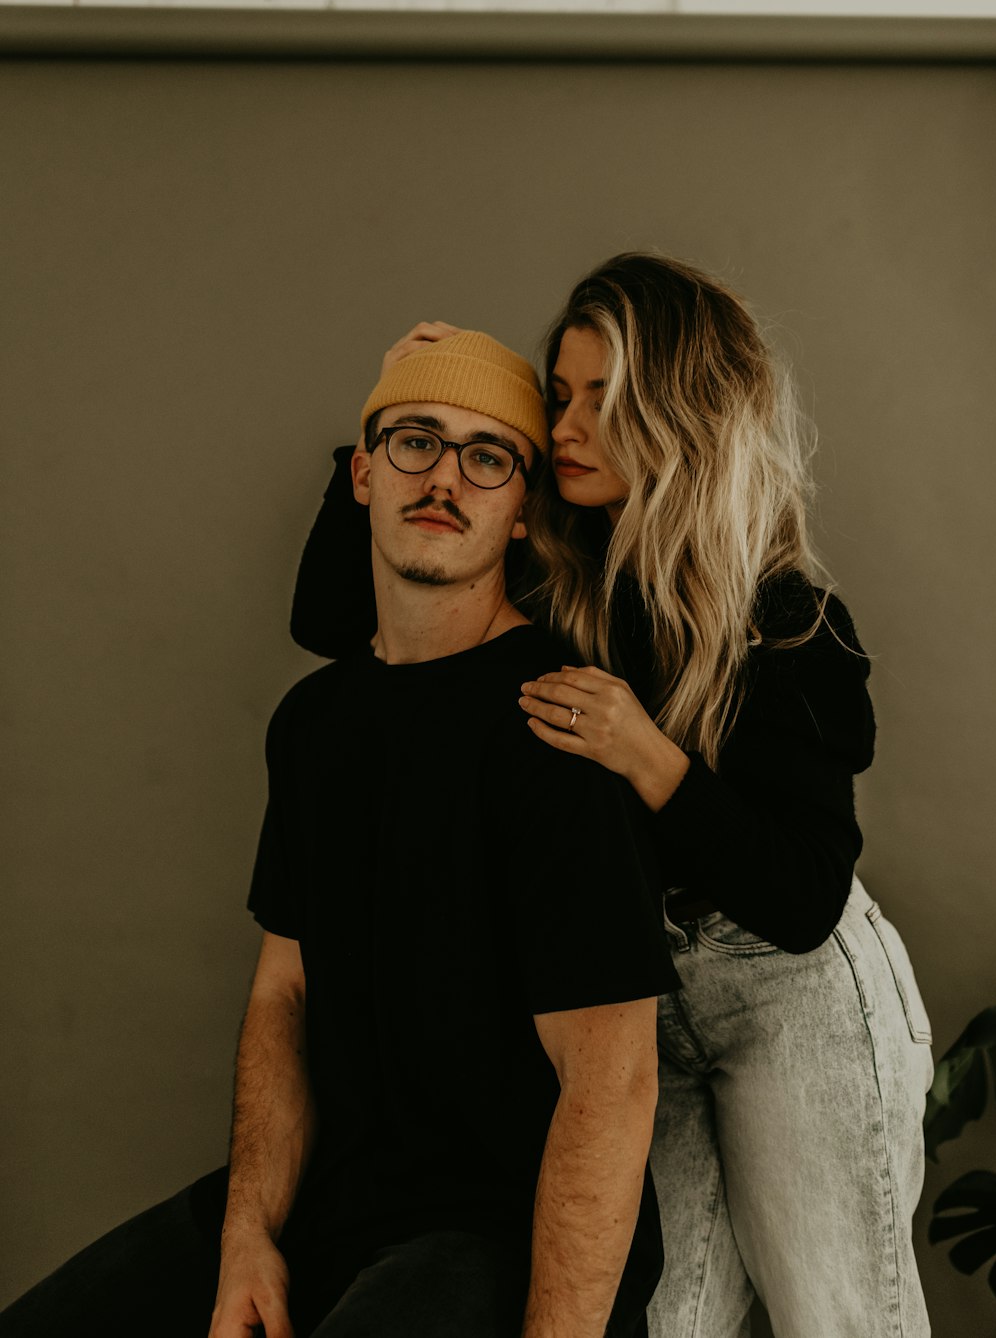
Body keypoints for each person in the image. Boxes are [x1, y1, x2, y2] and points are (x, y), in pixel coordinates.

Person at [286, 255, 935, 1338]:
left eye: (604, 398)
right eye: (560, 394)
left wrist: (649, 756)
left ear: (676, 413)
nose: (568, 424)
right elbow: (328, 621)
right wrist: (393, 405)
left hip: (794, 997)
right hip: (636, 998)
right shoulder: (556, 569)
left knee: (840, 1317)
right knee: (659, 1316)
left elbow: (803, 896)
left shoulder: (784, 617)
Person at [0, 329, 678, 1338]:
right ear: (363, 474)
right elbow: (285, 988)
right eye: (415, 440)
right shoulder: (315, 723)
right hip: (328, 1200)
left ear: (525, 511)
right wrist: (245, 1235)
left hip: (484, 1230)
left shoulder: (553, 723)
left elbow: (611, 1080)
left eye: (488, 456)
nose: (445, 476)